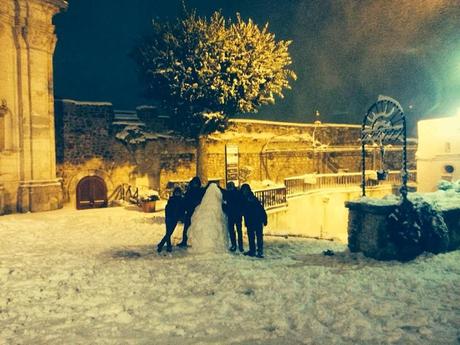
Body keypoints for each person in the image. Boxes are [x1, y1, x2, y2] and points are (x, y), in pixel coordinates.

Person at [240, 183, 267, 258]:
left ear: (248, 190)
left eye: (245, 190)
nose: (244, 192)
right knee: (251, 237)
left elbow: (260, 208)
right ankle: (253, 251)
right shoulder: (244, 199)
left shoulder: (252, 198)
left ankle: (259, 251)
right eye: (243, 190)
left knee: (258, 236)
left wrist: (264, 218)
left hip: (257, 220)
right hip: (250, 221)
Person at [177, 176, 204, 247]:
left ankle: (198, 241)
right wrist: (183, 211)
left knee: (197, 227)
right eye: (194, 183)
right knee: (186, 227)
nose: (195, 185)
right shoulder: (189, 191)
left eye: (196, 183)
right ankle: (184, 241)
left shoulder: (200, 191)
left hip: (197, 212)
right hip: (189, 211)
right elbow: (185, 201)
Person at [157, 187, 184, 253]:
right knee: (168, 232)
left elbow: (182, 210)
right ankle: (165, 245)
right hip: (169, 218)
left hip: (175, 219)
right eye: (176, 193)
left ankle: (162, 244)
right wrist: (168, 216)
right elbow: (167, 208)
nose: (177, 194)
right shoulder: (172, 199)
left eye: (178, 193)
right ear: (174, 193)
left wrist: (181, 217)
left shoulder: (181, 200)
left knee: (169, 233)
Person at [222, 182, 244, 252]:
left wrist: (224, 207)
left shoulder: (230, 194)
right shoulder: (237, 193)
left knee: (233, 231)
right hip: (236, 215)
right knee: (237, 231)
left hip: (232, 215)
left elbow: (224, 195)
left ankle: (235, 245)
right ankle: (240, 246)